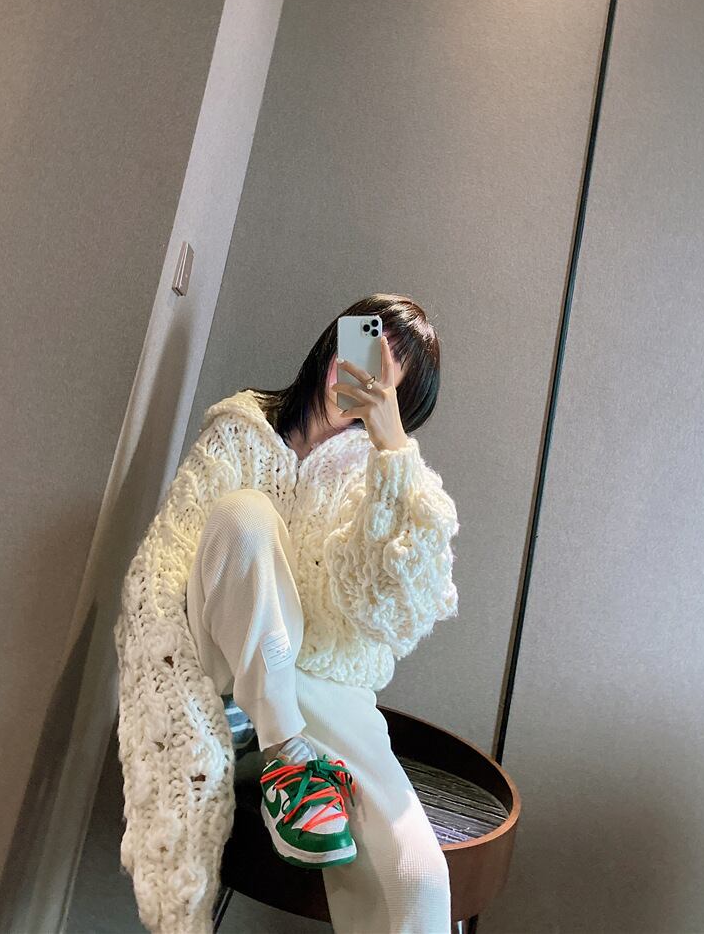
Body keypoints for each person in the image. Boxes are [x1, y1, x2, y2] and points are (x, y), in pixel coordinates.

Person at [114, 293, 459, 934]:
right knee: (245, 513)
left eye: (386, 375)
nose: (360, 373)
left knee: (416, 879)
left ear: (402, 401)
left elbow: (396, 612)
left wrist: (390, 452)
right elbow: (159, 578)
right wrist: (175, 701)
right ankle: (285, 754)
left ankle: (290, 756)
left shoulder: (388, 479)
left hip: (325, 693)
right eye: (363, 345)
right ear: (336, 341)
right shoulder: (240, 433)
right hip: (220, 673)